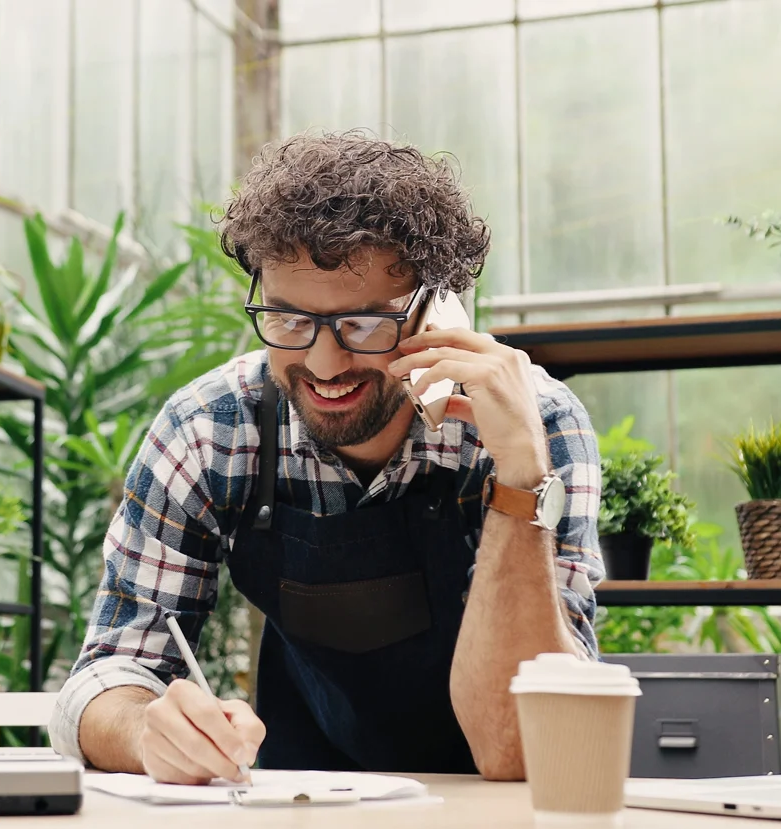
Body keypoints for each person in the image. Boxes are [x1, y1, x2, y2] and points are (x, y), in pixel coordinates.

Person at [48, 131, 603, 784]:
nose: (323, 362)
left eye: (363, 324)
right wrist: (148, 731)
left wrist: (519, 478)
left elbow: (524, 746)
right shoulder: (210, 429)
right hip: (300, 802)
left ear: (439, 312)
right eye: (289, 320)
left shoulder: (536, 425)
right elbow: (107, 673)